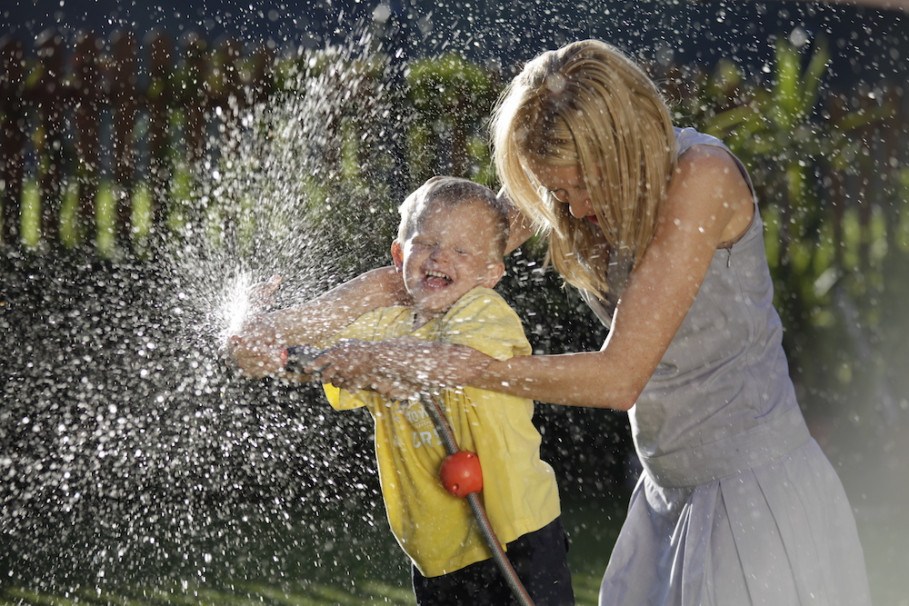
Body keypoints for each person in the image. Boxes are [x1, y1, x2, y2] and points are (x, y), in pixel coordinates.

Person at [292, 40, 873, 605]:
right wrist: (292, 329)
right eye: (554, 190)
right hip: (665, 492)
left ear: (622, 145)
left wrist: (466, 367)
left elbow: (619, 378)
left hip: (755, 497)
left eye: (581, 184)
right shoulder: (573, 184)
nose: (571, 208)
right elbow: (441, 265)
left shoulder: (701, 178)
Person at [229, 176, 574, 606]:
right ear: (399, 255)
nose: (439, 256)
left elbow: (455, 362)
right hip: (438, 554)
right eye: (425, 242)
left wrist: (370, 359)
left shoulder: (484, 311)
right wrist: (264, 347)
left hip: (516, 536)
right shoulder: (382, 325)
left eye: (461, 250)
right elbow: (322, 359)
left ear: (490, 273)